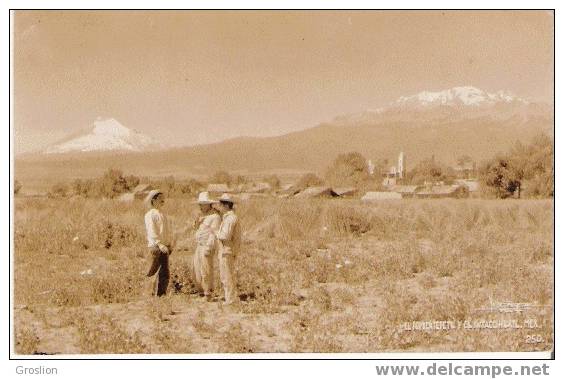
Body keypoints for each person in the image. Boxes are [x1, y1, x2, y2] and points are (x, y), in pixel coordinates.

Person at [192, 192, 221, 301]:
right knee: (197, 269)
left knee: (206, 269)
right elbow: (197, 230)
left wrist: (209, 247)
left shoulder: (215, 217)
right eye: (200, 204)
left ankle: (208, 293)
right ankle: (201, 291)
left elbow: (214, 234)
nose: (200, 206)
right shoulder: (203, 216)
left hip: (206, 245)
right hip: (199, 245)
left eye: (202, 204)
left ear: (209, 204)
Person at [144, 190, 174, 297]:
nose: (163, 200)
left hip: (164, 247)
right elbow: (152, 231)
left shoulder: (163, 214)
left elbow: (166, 231)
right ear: (154, 200)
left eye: (163, 197)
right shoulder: (150, 214)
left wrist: (169, 244)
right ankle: (149, 294)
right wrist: (159, 244)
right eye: (160, 198)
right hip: (156, 247)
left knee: (164, 272)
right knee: (153, 271)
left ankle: (161, 295)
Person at [216, 193, 241, 305]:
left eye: (220, 205)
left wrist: (216, 233)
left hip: (227, 250)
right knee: (226, 274)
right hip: (227, 250)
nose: (219, 208)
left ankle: (231, 299)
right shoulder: (230, 218)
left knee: (227, 275)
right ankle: (230, 297)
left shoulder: (230, 219)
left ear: (225, 206)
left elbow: (225, 236)